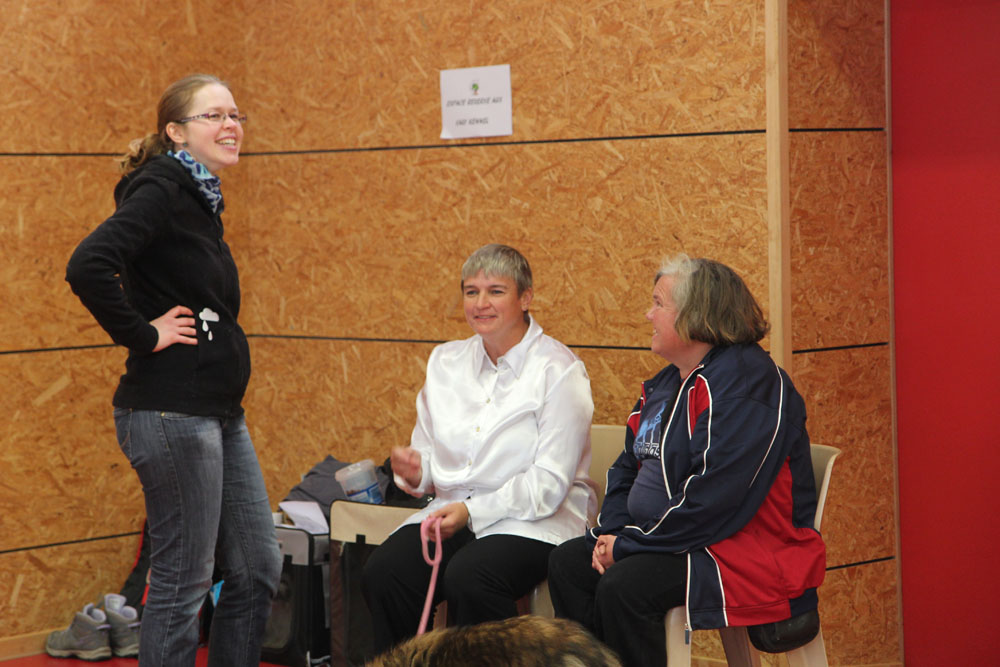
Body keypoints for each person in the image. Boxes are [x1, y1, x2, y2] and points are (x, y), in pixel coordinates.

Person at [65, 74, 281, 667]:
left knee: (257, 568)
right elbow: (88, 264)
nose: (230, 125)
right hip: (170, 411)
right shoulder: (162, 188)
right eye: (214, 115)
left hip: (217, 410)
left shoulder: (200, 198)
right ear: (176, 132)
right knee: (184, 582)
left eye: (235, 114)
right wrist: (144, 334)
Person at [547, 255, 826, 667]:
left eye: (659, 303)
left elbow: (716, 499)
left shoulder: (746, 383)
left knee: (625, 586)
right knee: (569, 564)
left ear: (698, 314)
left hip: (740, 550)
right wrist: (613, 534)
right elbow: (627, 469)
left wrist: (629, 546)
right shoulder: (666, 383)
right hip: (673, 539)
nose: (648, 314)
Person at [361, 243, 595, 654]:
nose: (480, 303)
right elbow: (429, 459)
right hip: (453, 513)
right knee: (385, 571)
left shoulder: (560, 370)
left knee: (471, 576)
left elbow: (548, 484)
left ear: (526, 298)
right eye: (471, 292)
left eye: (495, 291)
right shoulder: (444, 362)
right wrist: (418, 471)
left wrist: (471, 511)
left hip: (534, 521)